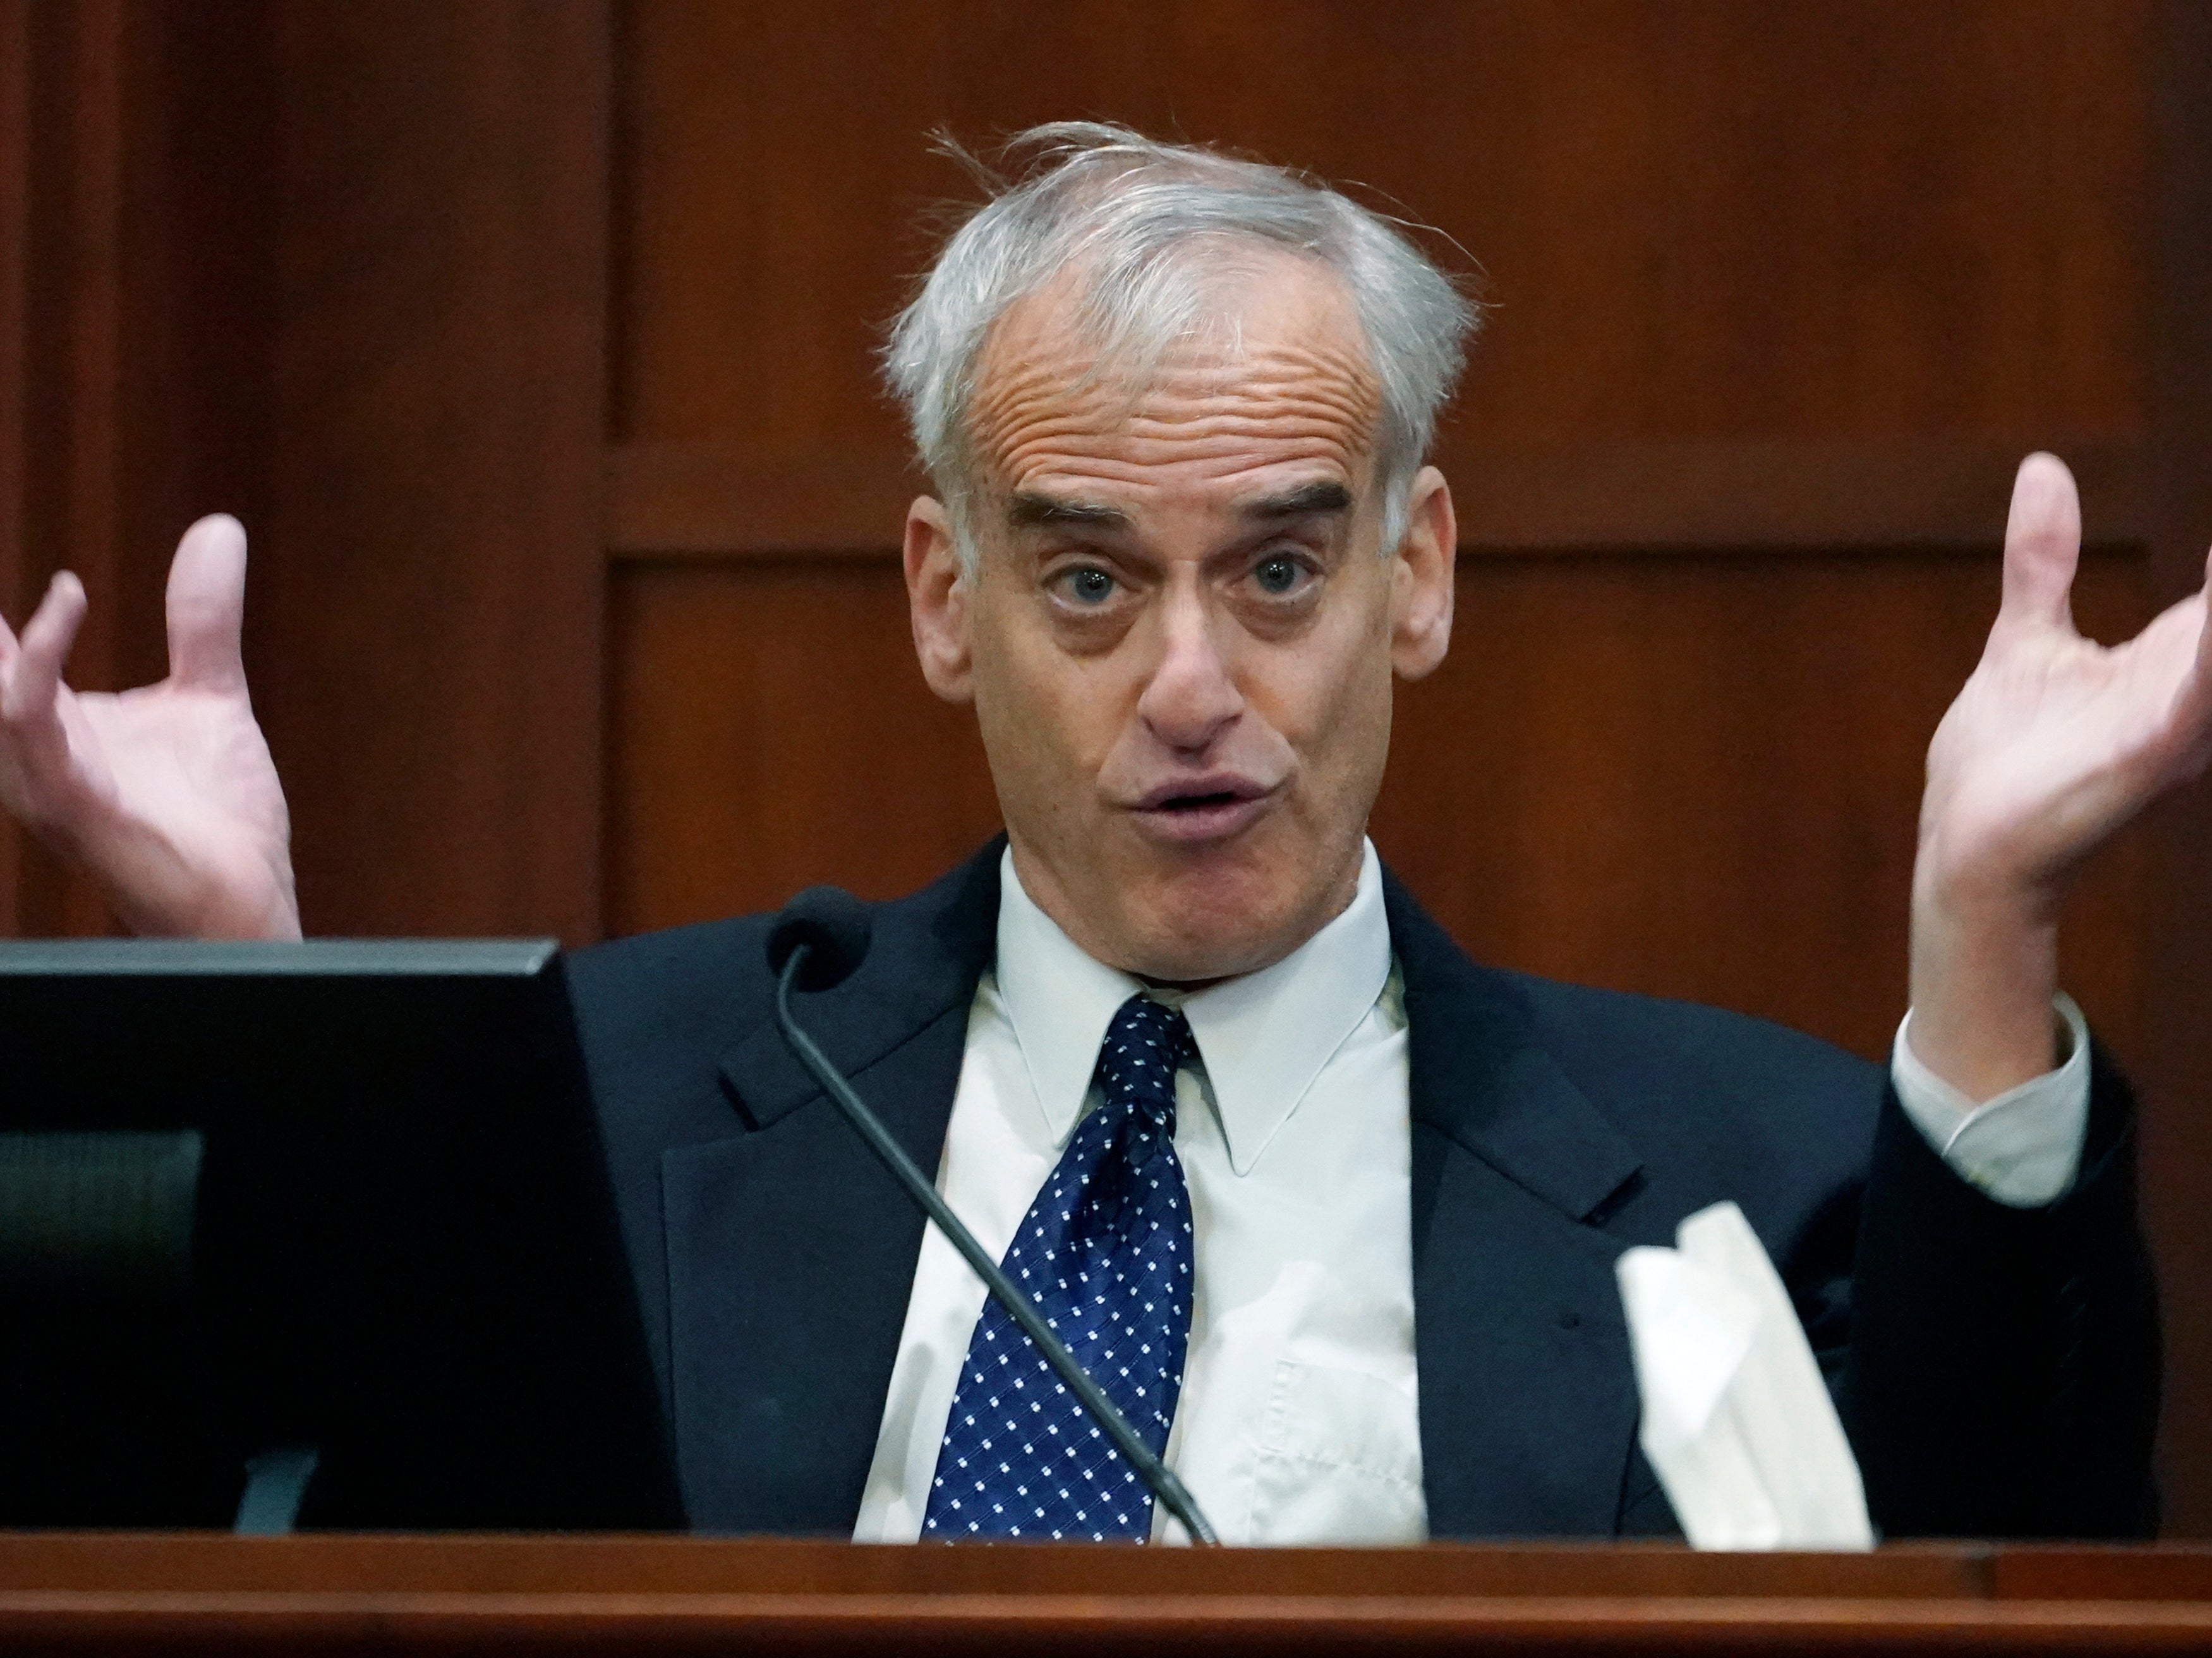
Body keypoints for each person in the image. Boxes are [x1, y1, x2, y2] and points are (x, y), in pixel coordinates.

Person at [0, 125, 2192, 1543]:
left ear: (1414, 575)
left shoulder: (1742, 1167)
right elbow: (324, 1546)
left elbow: (2027, 1568)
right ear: (947, 603)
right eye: (1084, 581)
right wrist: (244, 994)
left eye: (1275, 571)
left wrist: (1990, 923)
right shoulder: (614, 1102)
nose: (1187, 687)